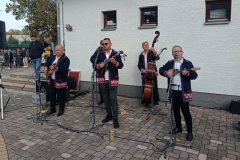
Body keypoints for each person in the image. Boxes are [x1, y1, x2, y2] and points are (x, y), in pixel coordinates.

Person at [159, 45, 198, 141]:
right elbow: (161, 69)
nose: (177, 53)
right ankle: (178, 127)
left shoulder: (187, 63)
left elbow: (194, 75)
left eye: (179, 51)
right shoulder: (170, 63)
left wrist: (187, 73)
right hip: (173, 91)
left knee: (186, 112)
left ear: (182, 52)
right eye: (175, 51)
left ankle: (189, 131)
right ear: (172, 54)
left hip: (183, 92)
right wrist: (166, 73)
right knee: (175, 111)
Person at [96, 38, 124, 128]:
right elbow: (93, 62)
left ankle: (115, 118)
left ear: (111, 44)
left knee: (113, 99)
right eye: (103, 44)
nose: (104, 45)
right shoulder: (99, 53)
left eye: (106, 44)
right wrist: (99, 65)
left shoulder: (115, 54)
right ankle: (109, 115)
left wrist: (115, 62)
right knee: (105, 99)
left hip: (112, 79)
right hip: (102, 79)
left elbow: (121, 65)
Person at [44, 45, 70, 117]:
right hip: (52, 79)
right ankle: (52, 108)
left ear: (63, 50)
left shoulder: (66, 59)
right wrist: (46, 67)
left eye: (58, 50)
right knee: (52, 95)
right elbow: (47, 63)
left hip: (60, 80)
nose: (57, 52)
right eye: (56, 50)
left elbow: (65, 70)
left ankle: (61, 109)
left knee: (61, 96)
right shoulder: (53, 57)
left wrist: (56, 68)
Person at [90, 40, 104, 105]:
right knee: (100, 87)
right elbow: (91, 58)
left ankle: (108, 101)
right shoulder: (98, 51)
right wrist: (97, 61)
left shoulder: (109, 52)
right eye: (102, 44)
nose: (103, 45)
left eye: (104, 44)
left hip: (106, 72)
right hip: (100, 72)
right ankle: (102, 99)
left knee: (107, 88)